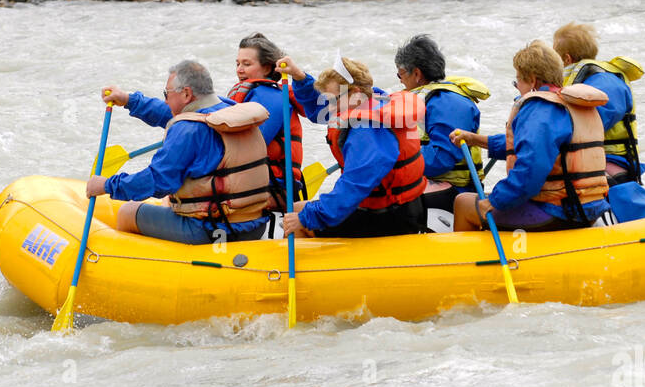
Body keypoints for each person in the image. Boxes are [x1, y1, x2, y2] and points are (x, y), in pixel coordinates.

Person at [85, 60, 272, 244]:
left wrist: (107, 185)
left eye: (167, 94)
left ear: (186, 94)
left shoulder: (188, 130)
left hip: (214, 231)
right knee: (170, 201)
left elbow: (157, 182)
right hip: (254, 226)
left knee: (127, 212)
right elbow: (173, 114)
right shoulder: (228, 110)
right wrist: (130, 101)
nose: (165, 99)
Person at [450, 41, 612, 232]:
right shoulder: (567, 104)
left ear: (532, 80)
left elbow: (530, 173)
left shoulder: (539, 109)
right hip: (590, 207)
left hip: (559, 211)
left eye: (517, 81)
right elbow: (529, 146)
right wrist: (474, 139)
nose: (517, 87)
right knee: (489, 198)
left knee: (464, 202)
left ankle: (469, 260)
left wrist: (495, 201)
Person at [278, 56, 426, 238]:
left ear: (355, 92)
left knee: (300, 219)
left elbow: (355, 185)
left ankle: (299, 265)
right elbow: (320, 107)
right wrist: (299, 76)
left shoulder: (366, 130)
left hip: (390, 216)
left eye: (332, 101)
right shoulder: (373, 99)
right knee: (299, 208)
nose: (329, 107)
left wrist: (308, 217)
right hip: (398, 206)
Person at [552, 21, 645, 222]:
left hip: (613, 161)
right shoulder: (590, 79)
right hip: (595, 158)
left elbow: (597, 121)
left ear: (567, 58)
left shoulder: (604, 81)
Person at [393, 34, 489, 214]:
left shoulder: (446, 103)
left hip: (456, 191)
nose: (399, 80)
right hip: (433, 181)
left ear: (416, 73)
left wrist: (393, 158)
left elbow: (441, 159)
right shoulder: (428, 97)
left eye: (400, 74)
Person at [224, 32, 305, 210]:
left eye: (246, 64)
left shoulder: (270, 96)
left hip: (273, 188)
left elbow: (247, 150)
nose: (239, 69)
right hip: (255, 185)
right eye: (237, 63)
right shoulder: (252, 94)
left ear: (267, 68)